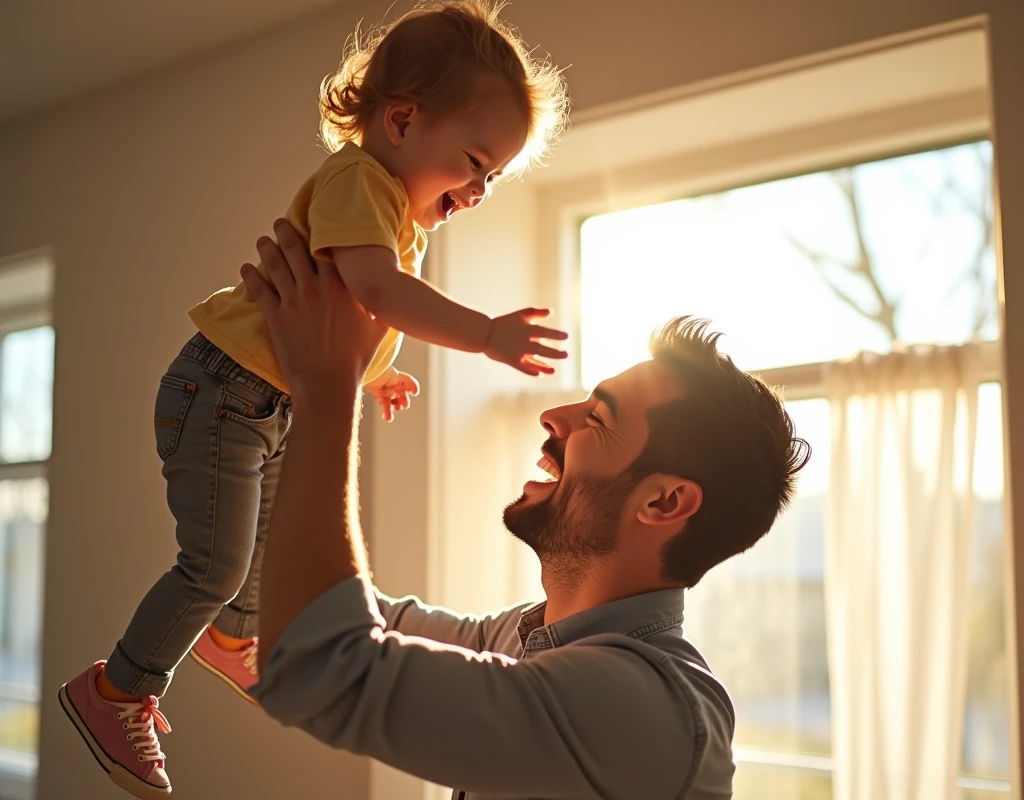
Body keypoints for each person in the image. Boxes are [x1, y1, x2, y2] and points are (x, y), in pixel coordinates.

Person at [57, 3, 569, 798]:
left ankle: (232, 639)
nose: (481, 189)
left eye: (494, 176)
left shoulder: (394, 212)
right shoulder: (362, 181)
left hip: (264, 398)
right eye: (474, 162)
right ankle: (119, 689)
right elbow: (372, 287)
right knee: (215, 564)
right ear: (401, 119)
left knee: (267, 549)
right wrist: (484, 335)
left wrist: (372, 372)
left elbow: (340, 306)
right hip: (226, 389)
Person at [243, 222, 811, 799]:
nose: (554, 418)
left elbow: (320, 665)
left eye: (597, 419)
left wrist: (327, 382)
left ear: (664, 502)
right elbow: (301, 607)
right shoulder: (520, 635)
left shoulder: (650, 705)